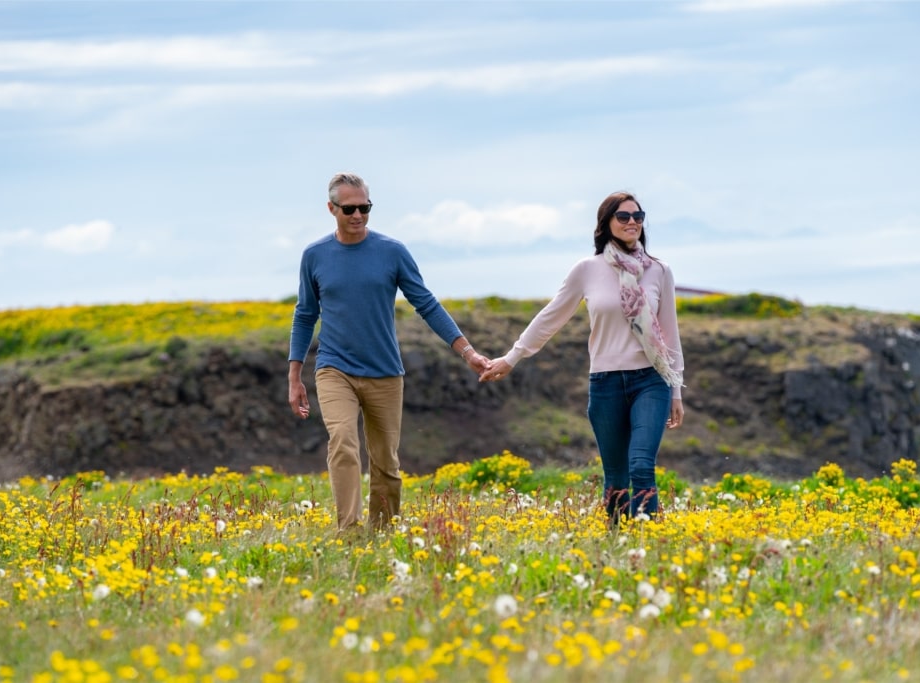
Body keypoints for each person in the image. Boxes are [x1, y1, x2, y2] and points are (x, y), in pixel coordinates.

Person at [288, 172, 489, 532]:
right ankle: (348, 532)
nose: (358, 215)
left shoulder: (392, 252)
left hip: (384, 372)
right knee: (344, 443)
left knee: (385, 464)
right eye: (349, 208)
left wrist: (468, 352)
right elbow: (305, 316)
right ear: (331, 208)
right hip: (334, 369)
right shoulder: (315, 256)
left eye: (365, 207)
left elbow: (425, 303)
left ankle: (381, 534)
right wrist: (294, 376)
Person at [480, 191, 684, 524]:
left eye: (638, 216)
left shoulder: (660, 271)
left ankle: (651, 542)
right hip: (605, 383)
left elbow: (671, 333)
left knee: (641, 465)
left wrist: (676, 389)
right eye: (624, 216)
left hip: (652, 379)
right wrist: (512, 357)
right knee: (616, 475)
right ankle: (619, 543)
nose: (633, 222)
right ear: (606, 223)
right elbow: (550, 317)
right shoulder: (587, 270)